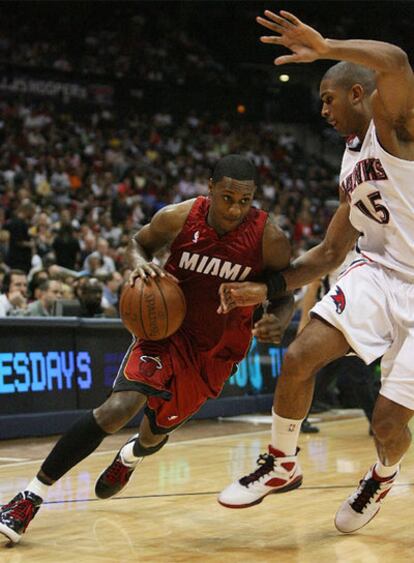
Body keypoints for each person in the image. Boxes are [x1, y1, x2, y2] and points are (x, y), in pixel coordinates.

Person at [0, 154, 294, 544]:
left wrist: (279, 318)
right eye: (227, 198)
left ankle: (131, 455)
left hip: (217, 351)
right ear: (209, 188)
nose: (235, 208)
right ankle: (28, 498)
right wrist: (138, 264)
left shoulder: (268, 238)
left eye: (245, 200)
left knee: (155, 433)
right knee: (118, 407)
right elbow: (138, 244)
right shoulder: (178, 217)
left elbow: (284, 292)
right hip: (165, 333)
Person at [217, 11, 414, 534]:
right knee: (301, 355)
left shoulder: (399, 131)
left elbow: (394, 61)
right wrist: (267, 287)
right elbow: (329, 254)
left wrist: (325, 46)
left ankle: (384, 472)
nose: (321, 109)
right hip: (379, 273)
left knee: (388, 424)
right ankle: (282, 462)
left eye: (328, 98)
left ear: (357, 93)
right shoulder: (351, 165)